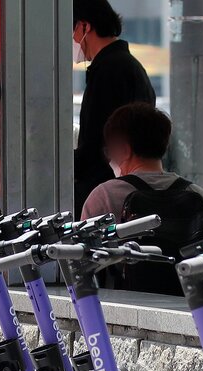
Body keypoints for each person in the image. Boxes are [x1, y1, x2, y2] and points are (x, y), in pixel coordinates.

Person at [81, 103, 203, 295]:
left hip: (121, 313)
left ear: (124, 150)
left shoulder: (104, 196)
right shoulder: (199, 195)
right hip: (189, 313)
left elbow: (80, 268)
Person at [72, 0, 155, 214]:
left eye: (71, 31)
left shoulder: (109, 72)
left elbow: (95, 145)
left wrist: (60, 165)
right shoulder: (129, 66)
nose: (72, 41)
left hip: (107, 197)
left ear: (84, 26)